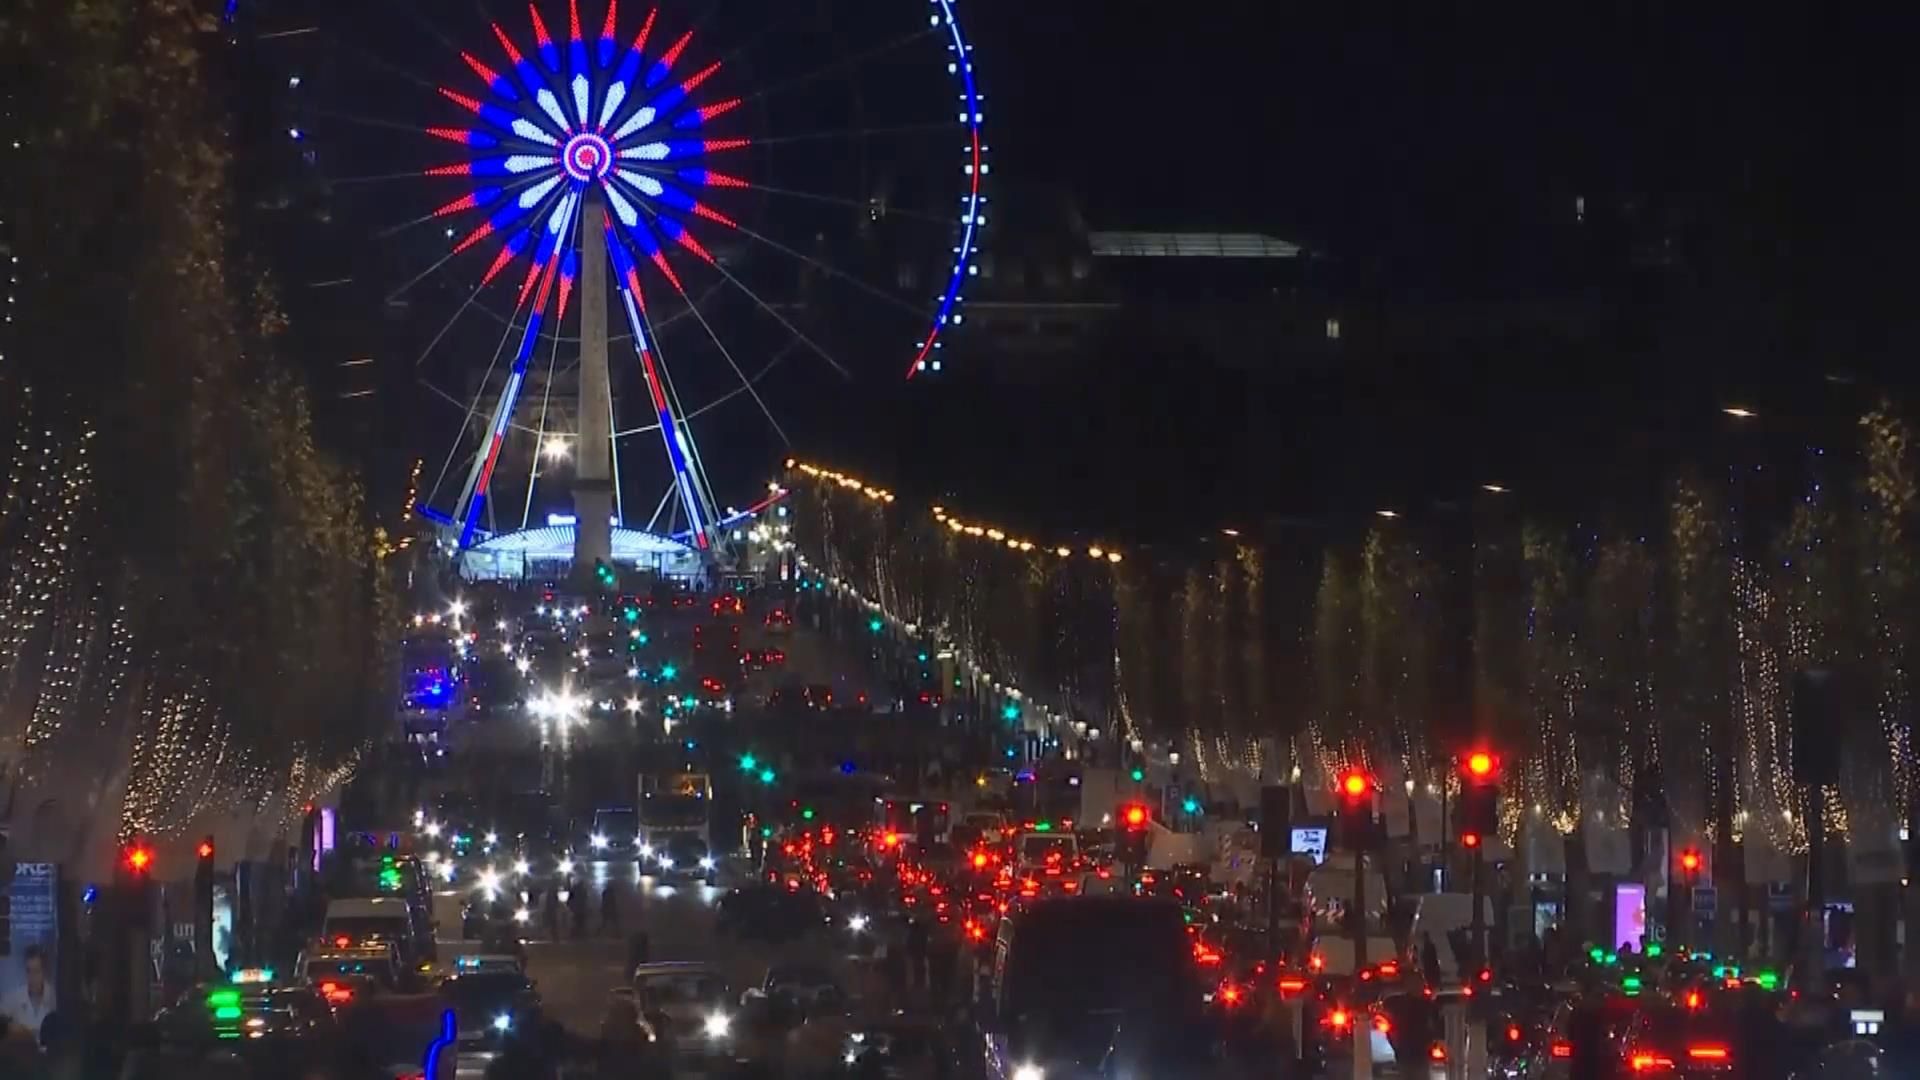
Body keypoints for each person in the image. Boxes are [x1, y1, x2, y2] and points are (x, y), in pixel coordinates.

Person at [1, 946, 54, 1045]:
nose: (32, 977)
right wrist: (10, 1026)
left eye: (36, 971)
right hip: (20, 1051)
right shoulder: (15, 996)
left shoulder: (54, 996)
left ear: (44, 972)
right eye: (28, 971)